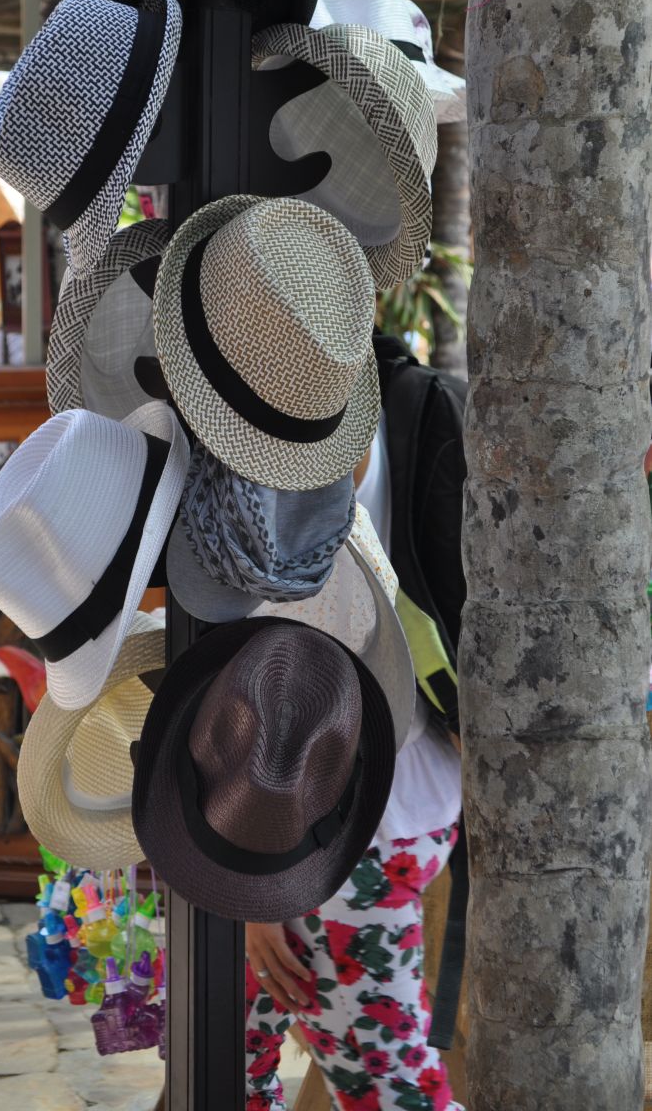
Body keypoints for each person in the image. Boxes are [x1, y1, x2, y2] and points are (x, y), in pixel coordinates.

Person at [244, 433, 463, 1111]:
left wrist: (256, 884)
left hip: (343, 834)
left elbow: (283, 716)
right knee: (225, 1054)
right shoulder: (348, 446)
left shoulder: (306, 486)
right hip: (363, 811)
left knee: (391, 1090)